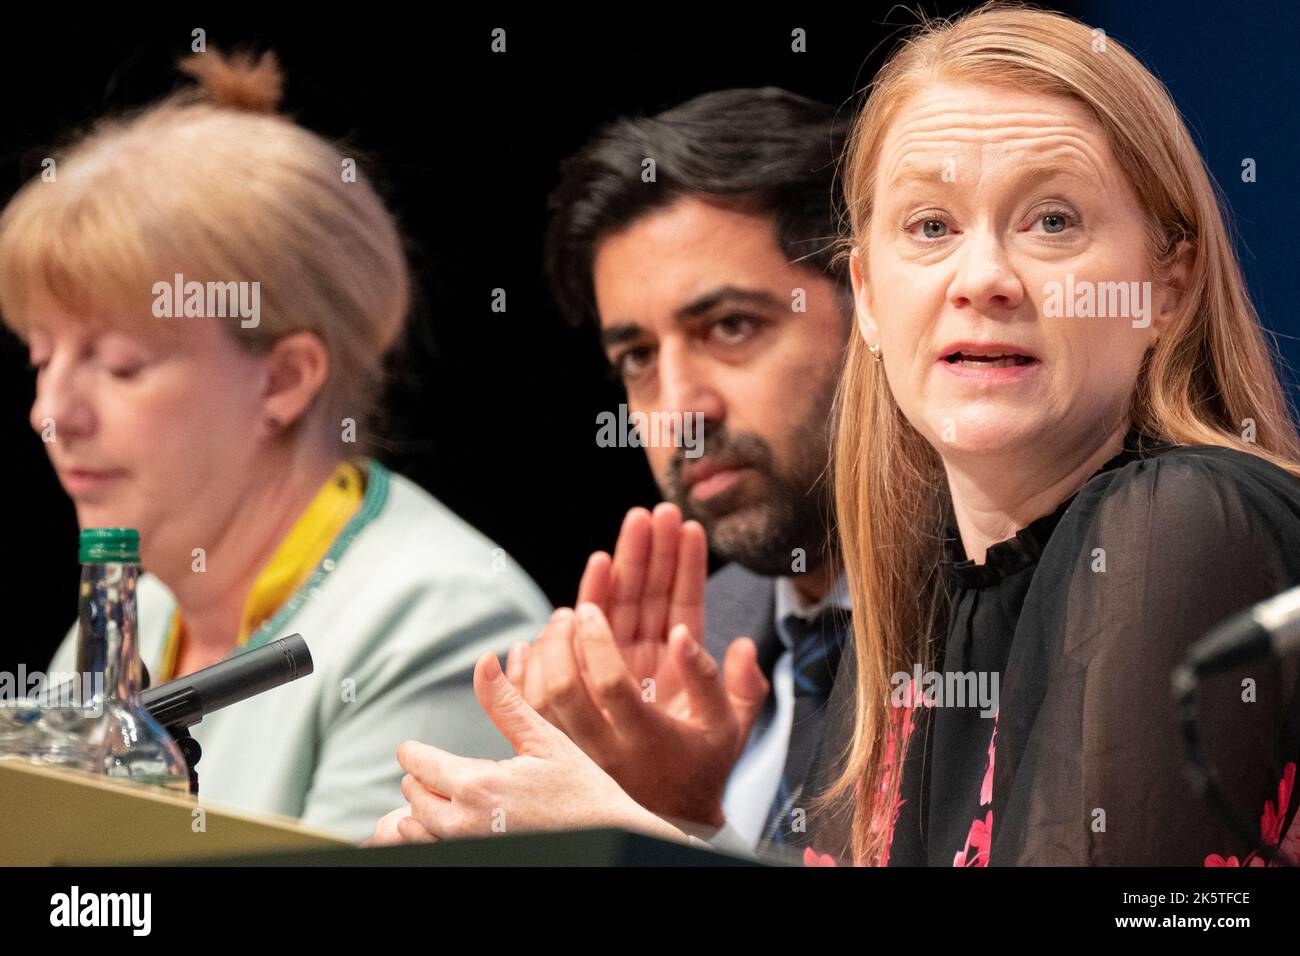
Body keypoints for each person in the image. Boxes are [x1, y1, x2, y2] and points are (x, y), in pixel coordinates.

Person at [369, 5, 1300, 867]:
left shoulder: (1184, 518)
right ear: (871, 300)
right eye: (930, 227)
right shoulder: (907, 596)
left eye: (1052, 221)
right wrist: (680, 831)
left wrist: (626, 845)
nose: (983, 276)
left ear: (1168, 286)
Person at [1, 48, 550, 841]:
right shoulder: (140, 607)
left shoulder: (441, 630)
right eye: (42, 358)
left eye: (120, 365)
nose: (52, 414)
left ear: (285, 379)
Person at [371, 88, 855, 854]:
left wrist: (667, 833)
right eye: (637, 359)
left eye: (730, 327)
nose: (677, 411)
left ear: (873, 306)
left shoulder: (1006, 606)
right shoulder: (679, 648)